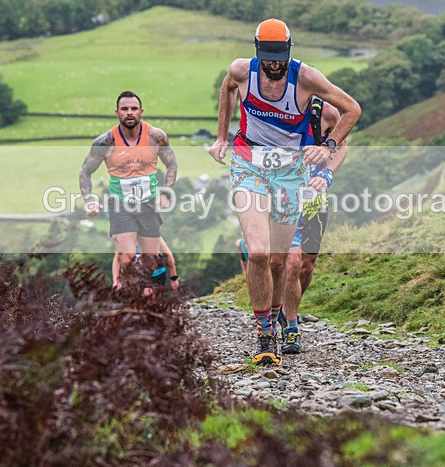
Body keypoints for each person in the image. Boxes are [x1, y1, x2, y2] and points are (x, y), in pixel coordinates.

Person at [208, 18, 361, 365]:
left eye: (280, 57)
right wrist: (221, 137)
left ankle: (280, 319)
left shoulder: (307, 78)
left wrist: (329, 146)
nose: (274, 65)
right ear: (257, 52)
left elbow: (353, 109)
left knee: (282, 261)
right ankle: (266, 335)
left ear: (289, 51)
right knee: (259, 253)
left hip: (292, 175)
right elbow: (227, 87)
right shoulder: (241, 70)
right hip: (249, 164)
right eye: (268, 57)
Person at [80, 90, 177, 289]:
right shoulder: (105, 142)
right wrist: (89, 199)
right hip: (120, 204)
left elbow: (172, 164)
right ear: (117, 112)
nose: (129, 112)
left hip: (148, 203)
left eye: (134, 108)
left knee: (151, 261)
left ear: (141, 111)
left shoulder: (156, 137)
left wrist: (166, 192)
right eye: (125, 109)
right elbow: (85, 172)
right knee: (127, 259)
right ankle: (130, 303)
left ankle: (146, 302)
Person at [280, 97, 348, 354]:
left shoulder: (326, 112)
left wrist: (327, 172)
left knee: (307, 265)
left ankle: (288, 307)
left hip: (314, 199)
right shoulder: (273, 110)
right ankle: (291, 325)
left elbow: (342, 147)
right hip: (283, 197)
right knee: (292, 263)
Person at [112, 237, 180, 292]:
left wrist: (173, 279)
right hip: (134, 278)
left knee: (149, 296)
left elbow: (169, 256)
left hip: (156, 276)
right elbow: (116, 260)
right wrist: (116, 280)